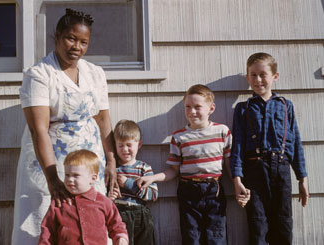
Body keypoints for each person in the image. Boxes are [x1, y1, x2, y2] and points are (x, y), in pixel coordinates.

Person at [12, 8, 118, 244]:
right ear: (58, 35)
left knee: (90, 218)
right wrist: (52, 180)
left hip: (88, 160)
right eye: (71, 38)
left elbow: (103, 119)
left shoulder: (95, 73)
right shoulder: (40, 75)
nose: (76, 47)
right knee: (46, 219)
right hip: (49, 163)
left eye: (83, 42)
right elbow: (38, 129)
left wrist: (111, 161)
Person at [230, 52, 309, 245]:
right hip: (254, 169)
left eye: (263, 74)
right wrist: (237, 179)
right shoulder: (243, 108)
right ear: (248, 78)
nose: (258, 80)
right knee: (258, 222)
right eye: (253, 75)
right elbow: (237, 146)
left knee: (283, 220)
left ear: (275, 76)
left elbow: (296, 143)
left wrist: (302, 178)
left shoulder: (285, 105)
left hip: (282, 168)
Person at [137, 84, 232, 245]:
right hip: (188, 191)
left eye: (197, 107)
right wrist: (153, 178)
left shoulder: (222, 132)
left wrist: (237, 183)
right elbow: (174, 170)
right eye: (188, 107)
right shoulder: (179, 137)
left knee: (216, 236)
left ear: (211, 108)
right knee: (191, 236)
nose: (192, 111)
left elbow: (230, 164)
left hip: (213, 190)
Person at [38, 149, 128, 245]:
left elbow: (116, 224)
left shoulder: (103, 202)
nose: (70, 179)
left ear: (93, 178)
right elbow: (48, 230)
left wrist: (121, 237)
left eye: (76, 175)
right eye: (67, 175)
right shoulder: (59, 203)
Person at [108, 120, 158, 245]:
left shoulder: (143, 168)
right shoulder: (113, 170)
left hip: (141, 215)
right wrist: (109, 198)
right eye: (120, 145)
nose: (125, 149)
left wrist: (129, 185)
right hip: (118, 214)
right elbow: (103, 192)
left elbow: (154, 194)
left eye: (129, 145)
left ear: (139, 144)